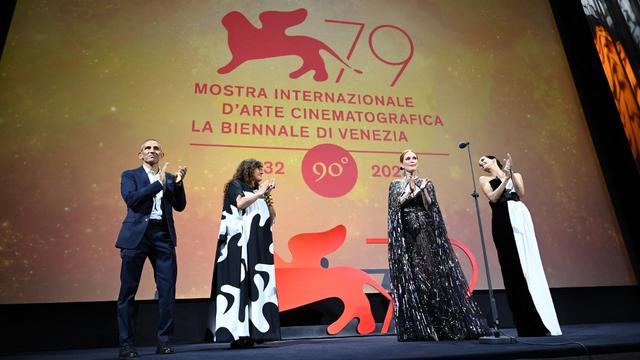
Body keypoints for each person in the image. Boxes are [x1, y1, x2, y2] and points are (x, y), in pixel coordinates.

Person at [387, 150, 489, 341]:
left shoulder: (426, 182)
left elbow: (429, 205)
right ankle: (422, 327)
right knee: (415, 276)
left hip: (426, 232)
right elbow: (397, 205)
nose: (411, 161)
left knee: (432, 276)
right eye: (408, 158)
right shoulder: (395, 184)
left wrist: (422, 189)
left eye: (414, 158)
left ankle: (442, 325)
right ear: (401, 164)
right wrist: (411, 190)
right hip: (408, 235)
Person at [115, 139, 187, 358]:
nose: (152, 151)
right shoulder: (130, 175)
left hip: (162, 236)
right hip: (136, 237)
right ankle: (126, 344)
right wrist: (158, 183)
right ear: (140, 155)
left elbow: (180, 206)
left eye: (156, 148)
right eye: (148, 148)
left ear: (161, 155)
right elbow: (132, 200)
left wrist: (179, 184)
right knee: (128, 291)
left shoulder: (171, 178)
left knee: (167, 291)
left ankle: (164, 341)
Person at [478, 154, 561, 336]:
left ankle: (544, 319)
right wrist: (504, 179)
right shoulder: (484, 179)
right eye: (480, 163)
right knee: (512, 267)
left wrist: (510, 173)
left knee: (529, 261)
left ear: (494, 160)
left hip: (519, 213)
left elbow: (521, 193)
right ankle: (527, 324)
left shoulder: (516, 174)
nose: (481, 164)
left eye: (484, 160)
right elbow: (493, 197)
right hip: (501, 217)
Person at [207, 158, 280, 348]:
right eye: (259, 170)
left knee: (256, 289)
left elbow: (271, 216)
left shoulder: (258, 192)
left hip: (257, 247)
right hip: (240, 246)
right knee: (239, 285)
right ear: (249, 170)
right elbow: (240, 204)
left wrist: (267, 195)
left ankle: (255, 332)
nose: (262, 173)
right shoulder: (235, 185)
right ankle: (239, 334)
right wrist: (260, 193)